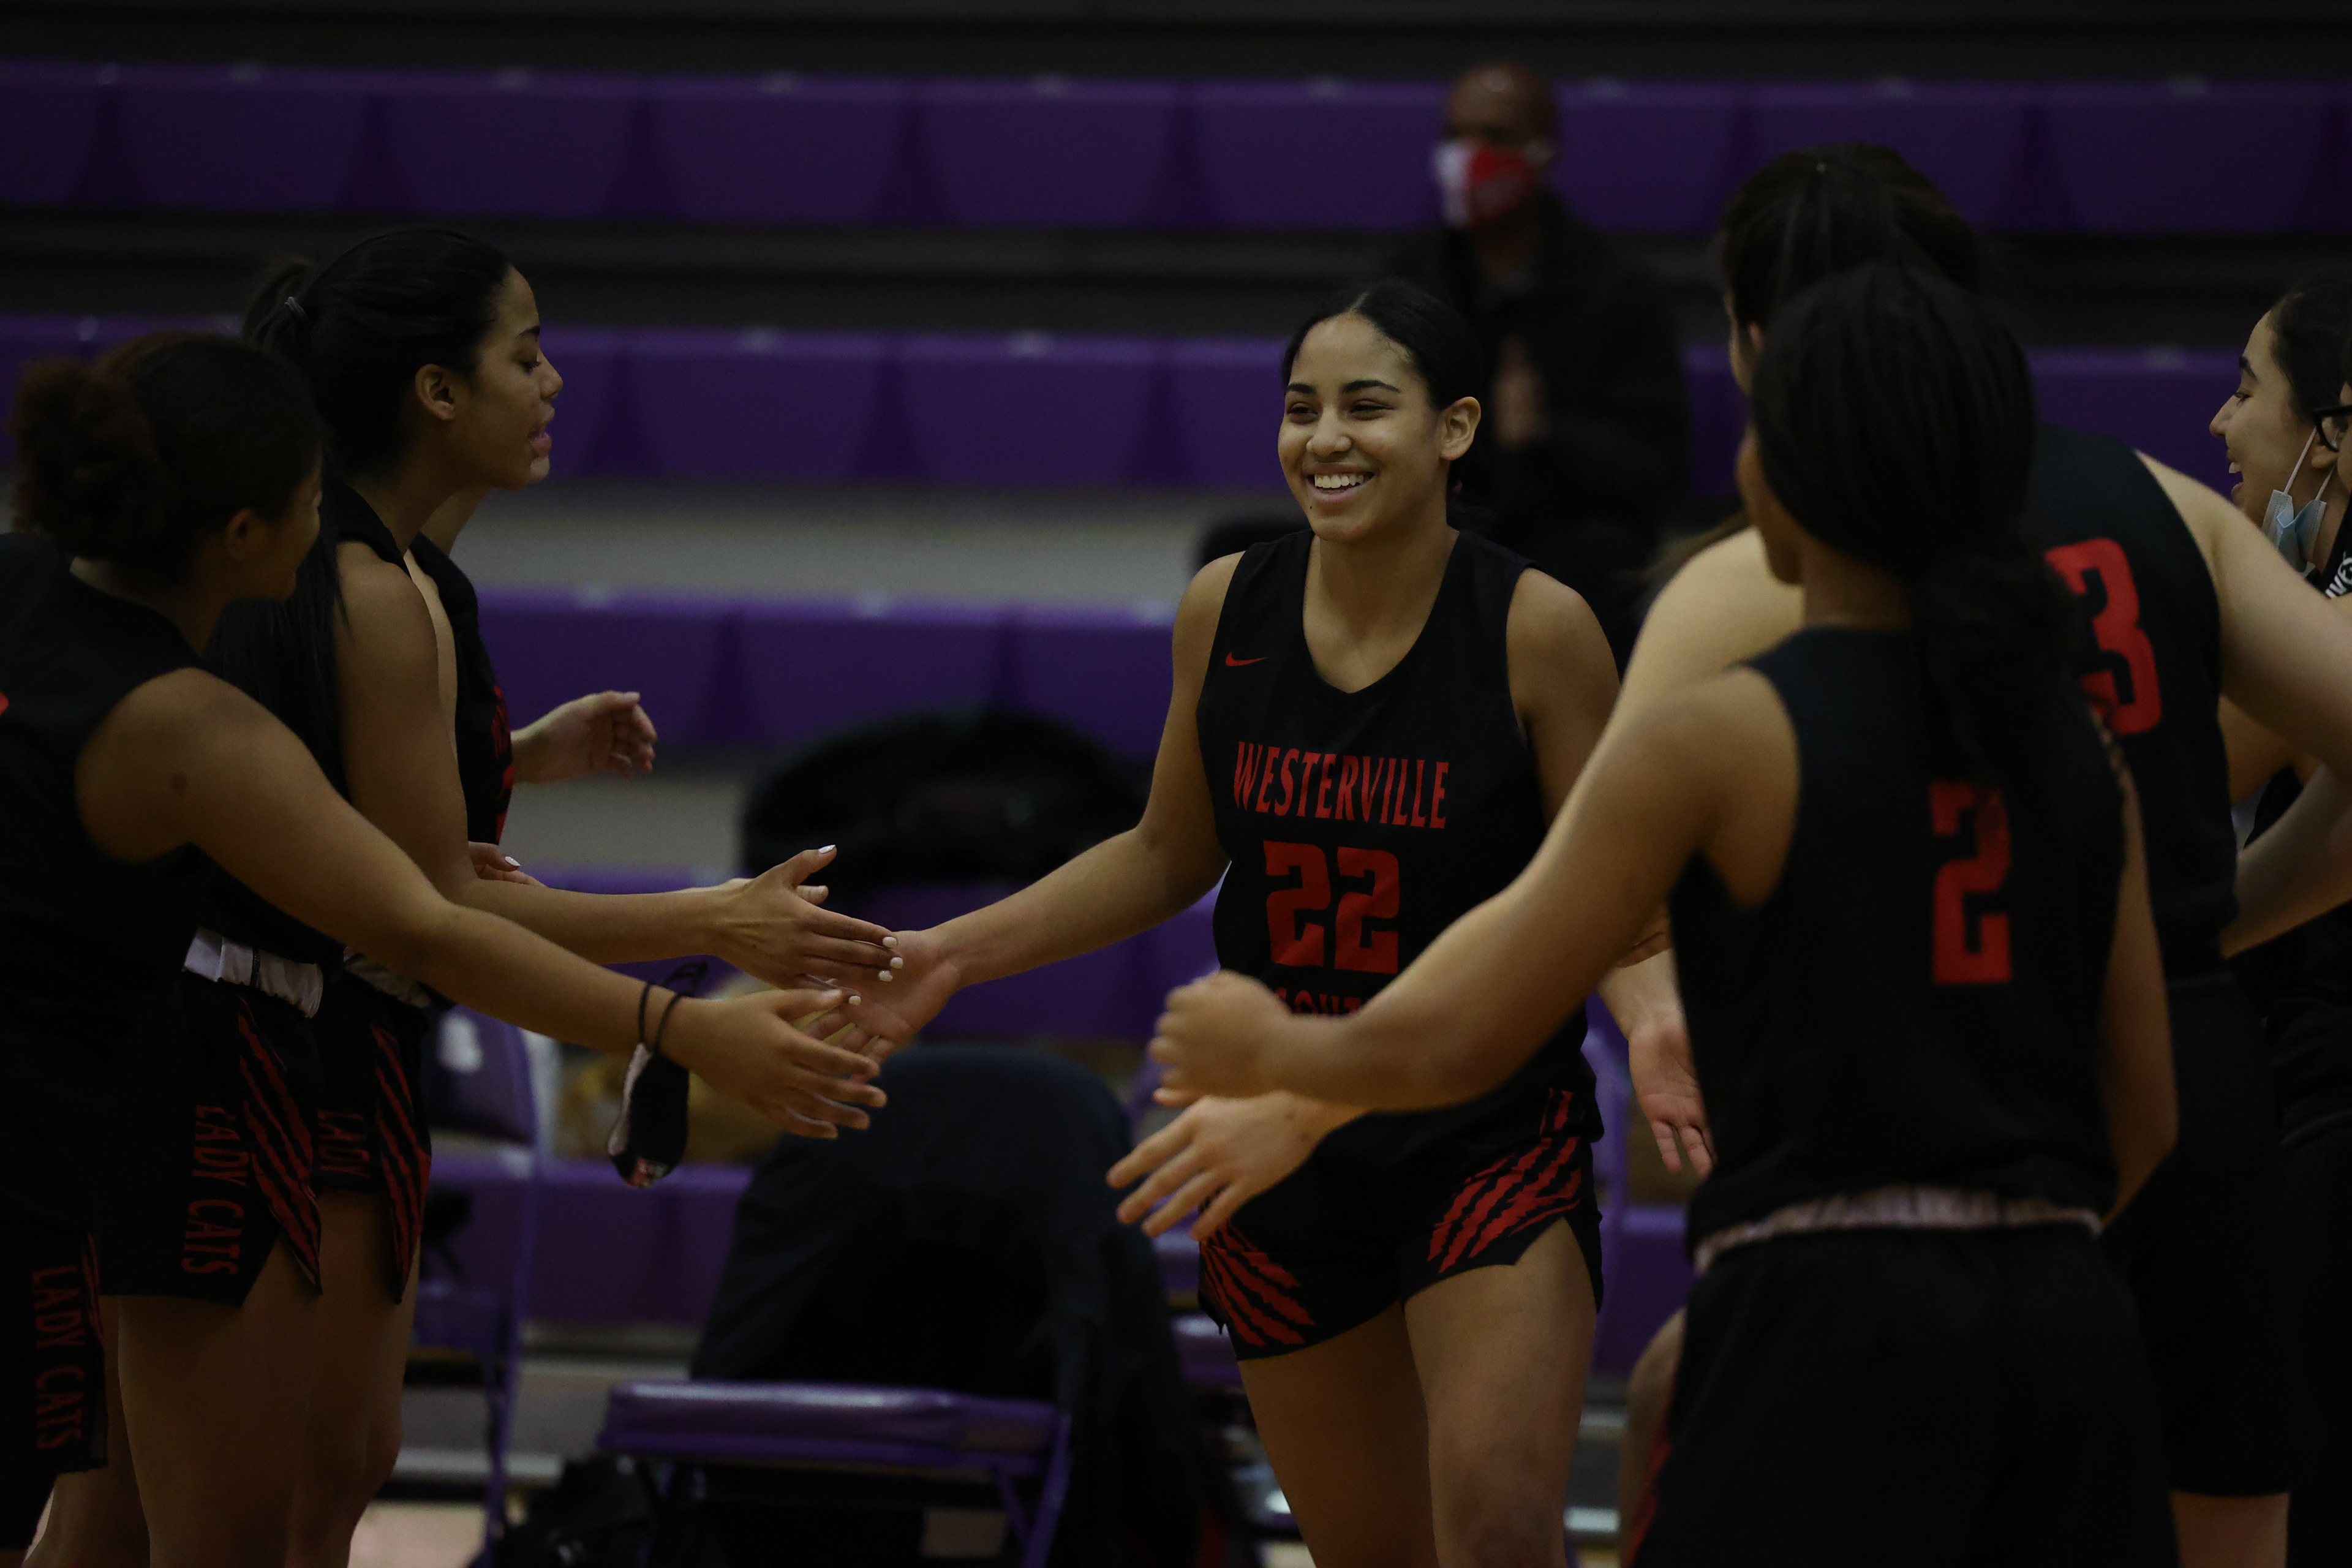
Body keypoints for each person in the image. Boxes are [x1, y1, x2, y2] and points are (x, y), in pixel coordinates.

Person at [1151, 263, 2182, 1565]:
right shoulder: (2079, 743)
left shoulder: (1716, 737)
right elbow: (2146, 1114)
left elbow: (1477, 1016)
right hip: (2066, 1322)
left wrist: (1285, 1056)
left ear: (1782, 477)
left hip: (1819, 1309)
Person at [37, 232, 905, 1568]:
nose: (553, 380)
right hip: (227, 1038)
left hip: (260, 1033)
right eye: (526, 353)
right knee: (225, 1510)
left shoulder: (385, 576)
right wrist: (696, 963)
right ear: (433, 392)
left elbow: (390, 845)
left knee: (260, 1486)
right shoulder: (338, 594)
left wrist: (515, 764)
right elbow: (430, 909)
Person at [1596, 146, 2352, 1568]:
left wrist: (1641, 1007)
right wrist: (2199, 934)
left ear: (1763, 339)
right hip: (2190, 1084)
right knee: (2221, 1527)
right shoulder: (2164, 501)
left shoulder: (1758, 571)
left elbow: (1588, 895)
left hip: (1925, 1122)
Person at [843, 277, 1627, 1568]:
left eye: (1365, 406)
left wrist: (1660, 1019)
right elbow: (1166, 851)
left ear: (1456, 428)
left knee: (1495, 1526)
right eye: (1301, 408)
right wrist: (950, 953)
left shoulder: (1539, 627)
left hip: (1479, 1128)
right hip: (1264, 1148)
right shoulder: (1227, 605)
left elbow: (1612, 893)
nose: (1325, 438)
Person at [2209, 268, 2352, 1565]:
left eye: (2248, 387)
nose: (2222, 420)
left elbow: (2157, 766)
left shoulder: (2333, 628)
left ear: (2337, 431)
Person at [1387, 60, 1689, 665]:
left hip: (1566, 528)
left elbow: (1656, 467)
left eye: (1495, 137)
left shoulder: (1617, 289)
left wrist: (1548, 436)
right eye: (1455, 136)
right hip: (1443, 523)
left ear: (1543, 151)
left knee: (1601, 555)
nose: (1469, 156)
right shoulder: (1406, 282)